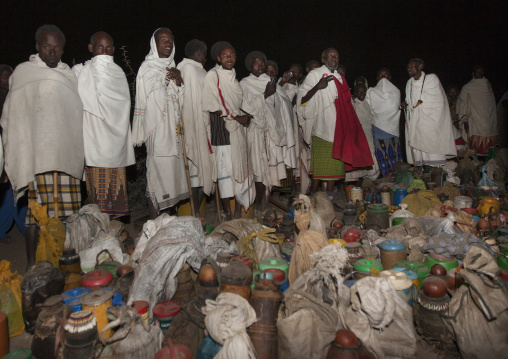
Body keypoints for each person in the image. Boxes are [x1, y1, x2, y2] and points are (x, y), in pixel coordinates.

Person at [1, 24, 84, 267]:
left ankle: (67, 261)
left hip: (65, 156)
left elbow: (77, 114)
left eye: (57, 47)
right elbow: (13, 115)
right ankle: (31, 265)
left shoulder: (70, 76)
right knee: (36, 215)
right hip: (37, 157)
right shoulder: (24, 73)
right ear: (37, 46)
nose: (52, 51)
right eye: (47, 46)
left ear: (62, 49)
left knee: (68, 214)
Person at [297, 48, 372, 207]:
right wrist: (317, 87)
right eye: (331, 56)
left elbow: (346, 103)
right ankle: (312, 201)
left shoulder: (340, 77)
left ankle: (329, 203)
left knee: (333, 170)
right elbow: (302, 100)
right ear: (323, 59)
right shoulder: (315, 75)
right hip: (321, 128)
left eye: (336, 56)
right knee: (317, 170)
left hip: (338, 128)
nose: (334, 58)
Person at [73, 31, 135, 218]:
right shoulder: (80, 72)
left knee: (115, 193)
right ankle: (99, 229)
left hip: (114, 143)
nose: (104, 52)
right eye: (100, 47)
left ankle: (113, 230)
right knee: (96, 194)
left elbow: (124, 106)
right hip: (93, 140)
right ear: (91, 48)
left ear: (114, 50)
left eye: (109, 48)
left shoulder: (117, 72)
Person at [132, 28, 187, 219]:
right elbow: (149, 96)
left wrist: (179, 83)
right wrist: (165, 78)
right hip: (158, 132)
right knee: (157, 181)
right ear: (154, 45)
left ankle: (168, 221)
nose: (168, 43)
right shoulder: (147, 68)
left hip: (174, 134)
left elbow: (181, 102)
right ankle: (155, 224)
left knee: (171, 181)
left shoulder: (174, 67)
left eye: (171, 40)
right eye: (163, 40)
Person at [202, 41, 255, 220]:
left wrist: (245, 116)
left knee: (240, 168)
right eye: (224, 56)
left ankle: (239, 213)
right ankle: (228, 215)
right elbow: (210, 104)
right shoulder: (213, 76)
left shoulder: (234, 78)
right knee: (226, 173)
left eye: (231, 55)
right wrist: (235, 117)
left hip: (238, 131)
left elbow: (239, 103)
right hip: (222, 130)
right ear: (218, 58)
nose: (229, 58)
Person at [240, 51, 296, 212]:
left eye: (263, 63)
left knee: (271, 173)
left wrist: (274, 93)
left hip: (272, 136)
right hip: (256, 134)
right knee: (258, 172)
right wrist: (266, 94)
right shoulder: (245, 84)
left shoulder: (271, 83)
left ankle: (264, 208)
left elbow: (285, 106)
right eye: (257, 63)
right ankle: (258, 207)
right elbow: (246, 110)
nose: (261, 66)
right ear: (250, 66)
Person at [176, 39, 215, 216]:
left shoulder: (200, 71)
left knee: (201, 173)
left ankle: (197, 213)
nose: (206, 58)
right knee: (194, 171)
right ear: (199, 52)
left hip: (203, 126)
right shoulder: (188, 69)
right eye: (205, 54)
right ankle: (192, 213)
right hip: (193, 126)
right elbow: (189, 102)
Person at [403, 58, 456, 167]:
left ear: (420, 67)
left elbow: (438, 101)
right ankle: (421, 174)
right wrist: (406, 105)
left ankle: (436, 174)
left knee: (432, 151)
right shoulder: (409, 83)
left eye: (412, 66)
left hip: (431, 122)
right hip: (416, 123)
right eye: (408, 67)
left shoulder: (431, 79)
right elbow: (410, 102)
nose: (409, 69)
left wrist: (422, 108)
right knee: (419, 153)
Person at [0, 65, 27, 242]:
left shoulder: (14, 96)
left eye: (11, 76)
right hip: (3, 149)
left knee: (14, 190)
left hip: (14, 149)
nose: (9, 79)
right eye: (4, 76)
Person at [278, 63, 311, 193]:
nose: (292, 72)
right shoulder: (282, 84)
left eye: (296, 71)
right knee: (285, 155)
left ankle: (297, 188)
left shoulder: (300, 88)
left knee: (297, 156)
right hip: (284, 125)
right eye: (291, 70)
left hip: (296, 125)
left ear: (300, 75)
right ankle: (282, 189)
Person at [365, 68, 403, 176]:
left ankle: (397, 181)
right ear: (377, 78)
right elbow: (369, 110)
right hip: (378, 130)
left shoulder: (396, 92)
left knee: (395, 159)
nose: (383, 78)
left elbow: (394, 109)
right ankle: (384, 182)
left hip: (393, 131)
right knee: (381, 159)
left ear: (390, 78)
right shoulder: (371, 91)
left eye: (386, 75)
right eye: (381, 75)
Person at [456, 65, 498, 158]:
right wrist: (464, 120)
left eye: (481, 72)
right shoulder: (467, 87)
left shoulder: (488, 85)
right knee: (474, 152)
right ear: (473, 74)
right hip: (475, 121)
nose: (480, 74)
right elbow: (463, 105)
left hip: (488, 120)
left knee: (487, 153)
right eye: (477, 72)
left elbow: (490, 106)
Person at [346, 84, 379, 181]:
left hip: (368, 131)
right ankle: (364, 178)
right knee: (364, 152)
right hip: (359, 132)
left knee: (371, 150)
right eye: (359, 92)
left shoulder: (366, 103)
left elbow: (370, 119)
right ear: (355, 93)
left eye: (363, 92)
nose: (362, 94)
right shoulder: (353, 103)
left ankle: (370, 177)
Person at [446, 85, 467, 151]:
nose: (452, 94)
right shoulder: (445, 101)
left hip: (458, 123)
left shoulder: (461, 101)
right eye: (451, 92)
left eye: (454, 92)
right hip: (448, 124)